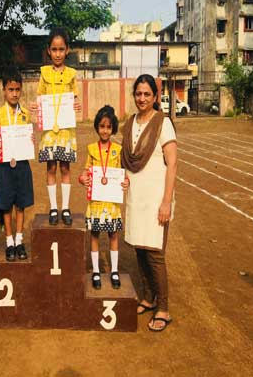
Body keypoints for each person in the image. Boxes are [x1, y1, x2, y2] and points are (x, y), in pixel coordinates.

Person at [121, 74, 177, 332]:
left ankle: (163, 309)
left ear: (155, 97)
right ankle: (147, 297)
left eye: (147, 94)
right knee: (139, 250)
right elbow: (125, 161)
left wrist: (166, 201)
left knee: (155, 253)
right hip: (136, 197)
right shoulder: (130, 122)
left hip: (156, 198)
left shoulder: (163, 123)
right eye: (138, 93)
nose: (142, 98)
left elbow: (173, 163)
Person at [31, 28, 81, 226]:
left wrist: (77, 105)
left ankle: (66, 208)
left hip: (66, 130)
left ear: (67, 50)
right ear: (48, 51)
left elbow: (74, 99)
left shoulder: (72, 74)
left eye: (61, 49)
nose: (58, 53)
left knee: (65, 167)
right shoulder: (43, 73)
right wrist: (36, 105)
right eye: (54, 49)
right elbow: (40, 98)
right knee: (51, 167)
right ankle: (53, 208)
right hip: (50, 131)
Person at [79, 106, 129, 290]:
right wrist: (82, 178)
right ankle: (96, 271)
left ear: (113, 128)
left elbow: (123, 174)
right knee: (94, 234)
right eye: (101, 126)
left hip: (111, 202)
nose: (105, 130)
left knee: (113, 234)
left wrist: (126, 181)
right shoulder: (92, 149)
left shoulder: (118, 149)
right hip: (96, 202)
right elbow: (85, 172)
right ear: (97, 127)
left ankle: (114, 270)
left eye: (108, 127)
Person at [0, 70, 34, 262]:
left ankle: (19, 240)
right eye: (10, 89)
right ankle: (9, 241)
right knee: (6, 205)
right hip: (4, 165)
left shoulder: (26, 114)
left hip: (22, 164)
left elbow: (29, 138)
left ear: (21, 90)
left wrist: (31, 139)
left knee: (21, 204)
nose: (14, 93)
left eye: (18, 89)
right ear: (4, 90)